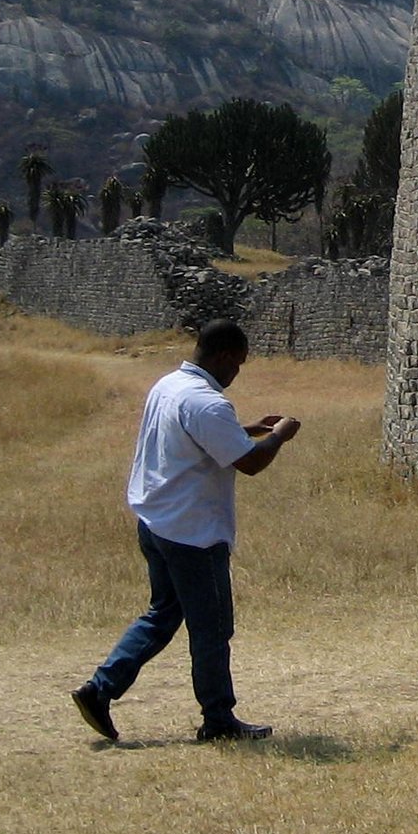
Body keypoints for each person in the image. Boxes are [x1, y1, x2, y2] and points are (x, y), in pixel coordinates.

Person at [71, 319, 301, 744]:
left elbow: (192, 435)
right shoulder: (207, 403)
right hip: (193, 533)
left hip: (156, 521)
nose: (238, 374)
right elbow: (250, 464)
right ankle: (218, 720)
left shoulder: (169, 385)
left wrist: (245, 428)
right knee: (211, 628)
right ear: (225, 357)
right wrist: (281, 436)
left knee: (162, 615)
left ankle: (99, 690)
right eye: (239, 364)